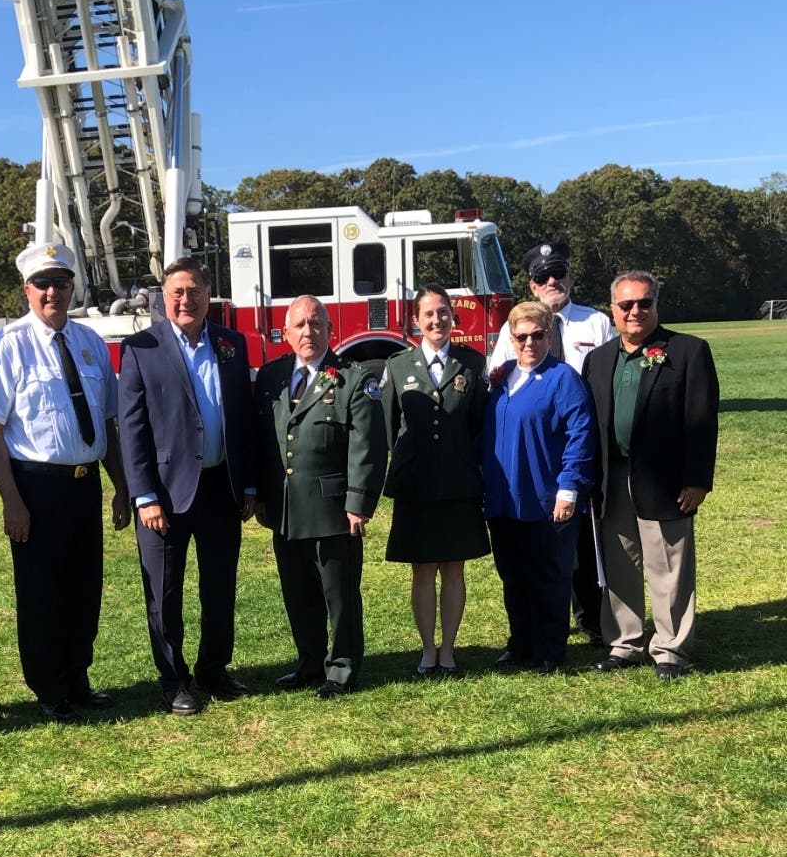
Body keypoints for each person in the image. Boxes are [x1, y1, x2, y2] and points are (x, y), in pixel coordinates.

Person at [0, 243, 130, 723]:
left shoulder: (89, 342)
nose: (52, 292)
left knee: (84, 589)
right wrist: (11, 502)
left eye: (61, 283)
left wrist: (121, 487)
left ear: (71, 288)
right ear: (27, 289)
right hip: (36, 489)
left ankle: (78, 678)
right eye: (43, 283)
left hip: (85, 486)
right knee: (42, 594)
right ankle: (49, 688)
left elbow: (108, 419)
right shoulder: (10, 345)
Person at [118, 256, 256, 715]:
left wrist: (249, 484)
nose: (185, 300)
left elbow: (242, 419)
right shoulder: (140, 348)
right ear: (163, 296)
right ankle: (174, 680)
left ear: (207, 294)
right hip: (164, 493)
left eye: (194, 291)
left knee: (220, 586)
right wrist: (143, 495)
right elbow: (131, 429)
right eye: (176, 292)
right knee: (165, 591)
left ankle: (214, 670)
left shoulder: (232, 344)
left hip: (222, 488)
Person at [582, 271, 719, 680]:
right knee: (620, 563)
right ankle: (625, 642)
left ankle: (671, 648)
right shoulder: (599, 358)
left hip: (666, 479)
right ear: (613, 309)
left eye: (644, 303)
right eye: (626, 305)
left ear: (656, 305)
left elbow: (701, 419)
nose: (635, 311)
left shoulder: (688, 352)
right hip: (612, 477)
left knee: (668, 565)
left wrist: (698, 478)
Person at [254, 296, 386, 698]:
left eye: (316, 324)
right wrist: (258, 495)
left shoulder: (353, 378)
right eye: (299, 325)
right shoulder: (271, 377)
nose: (308, 332)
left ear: (330, 331)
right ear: (286, 332)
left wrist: (358, 503)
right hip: (286, 509)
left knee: (339, 594)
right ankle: (309, 662)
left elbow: (369, 446)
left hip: (333, 509)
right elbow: (263, 442)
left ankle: (342, 668)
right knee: (298, 592)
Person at [489, 241, 613, 645]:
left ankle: (591, 620)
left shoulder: (595, 323)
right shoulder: (514, 342)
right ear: (532, 284)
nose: (552, 281)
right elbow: (498, 387)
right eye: (542, 276)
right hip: (531, 465)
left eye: (558, 273)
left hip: (579, 455)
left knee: (582, 547)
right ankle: (529, 636)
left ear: (571, 277)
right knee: (539, 555)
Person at [481, 301, 597, 674]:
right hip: (504, 499)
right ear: (511, 338)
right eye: (521, 336)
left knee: (550, 574)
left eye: (537, 334)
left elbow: (581, 435)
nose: (529, 343)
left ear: (550, 334)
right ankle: (520, 643)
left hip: (546, 498)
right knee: (513, 575)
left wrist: (569, 488)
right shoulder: (502, 379)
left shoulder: (564, 378)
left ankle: (549, 649)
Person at [383, 284, 490, 676]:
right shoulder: (396, 367)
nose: (437, 320)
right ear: (416, 321)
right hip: (416, 487)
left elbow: (479, 423)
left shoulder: (472, 364)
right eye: (428, 314)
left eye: (443, 312)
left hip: (459, 483)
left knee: (455, 567)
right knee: (423, 569)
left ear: (452, 316)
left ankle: (449, 648)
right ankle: (427, 649)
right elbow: (388, 425)